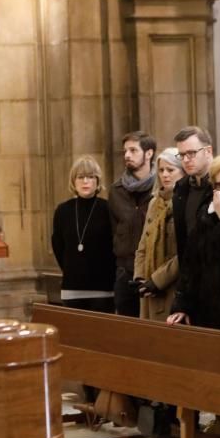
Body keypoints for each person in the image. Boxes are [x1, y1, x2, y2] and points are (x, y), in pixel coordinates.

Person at [169, 144, 220, 438]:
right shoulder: (206, 215)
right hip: (206, 305)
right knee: (216, 377)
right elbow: (191, 262)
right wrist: (181, 303)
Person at [51, 155, 116, 312]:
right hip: (72, 288)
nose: (85, 182)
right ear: (73, 181)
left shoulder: (108, 208)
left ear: (97, 181)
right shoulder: (63, 210)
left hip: (103, 289)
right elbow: (58, 246)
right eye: (81, 177)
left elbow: (115, 245)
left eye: (90, 177)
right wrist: (70, 268)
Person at [109, 132, 157, 317]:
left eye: (133, 150)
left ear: (149, 153)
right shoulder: (116, 190)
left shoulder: (160, 188)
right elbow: (115, 230)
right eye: (125, 151)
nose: (127, 155)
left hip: (152, 271)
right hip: (125, 272)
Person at [133, 147, 184, 321]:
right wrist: (140, 277)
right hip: (149, 285)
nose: (165, 175)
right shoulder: (154, 202)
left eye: (171, 170)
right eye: (161, 170)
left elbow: (185, 252)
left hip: (171, 285)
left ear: (183, 172)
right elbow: (143, 245)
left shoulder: (184, 202)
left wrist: (157, 280)